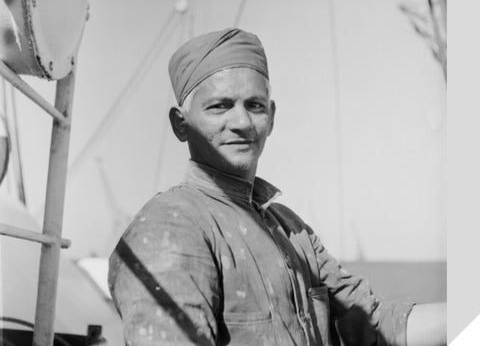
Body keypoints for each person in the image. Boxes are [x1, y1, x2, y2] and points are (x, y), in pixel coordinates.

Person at [108, 28, 446, 346]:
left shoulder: (290, 229)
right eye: (219, 106)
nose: (241, 123)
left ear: (271, 117)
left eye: (254, 106)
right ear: (181, 125)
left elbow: (374, 325)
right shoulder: (173, 225)